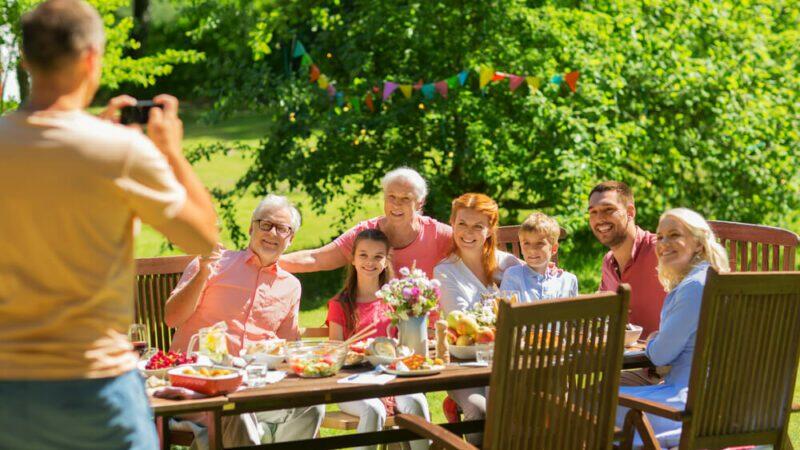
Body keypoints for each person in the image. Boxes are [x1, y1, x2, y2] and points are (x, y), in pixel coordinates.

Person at [0, 1, 218, 448]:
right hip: (95, 386)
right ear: (91, 58)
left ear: (25, 59)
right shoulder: (119, 152)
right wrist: (171, 152)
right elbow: (201, 237)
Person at [166, 194, 324, 448]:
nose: (273, 233)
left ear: (291, 238)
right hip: (201, 383)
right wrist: (203, 273)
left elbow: (288, 347)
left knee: (311, 408)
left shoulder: (290, 286)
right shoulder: (212, 264)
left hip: (255, 385)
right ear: (251, 228)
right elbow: (171, 318)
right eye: (266, 224)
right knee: (235, 411)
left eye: (282, 229)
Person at [615, 208, 729, 448]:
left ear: (698, 244)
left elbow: (660, 354)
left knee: (584, 402)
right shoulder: (719, 282)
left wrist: (655, 339)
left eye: (674, 235)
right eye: (660, 237)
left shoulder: (694, 287)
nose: (663, 244)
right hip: (721, 405)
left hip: (685, 407)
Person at [327, 229, 430, 450]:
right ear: (353, 259)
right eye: (363, 255)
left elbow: (404, 347)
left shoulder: (394, 301)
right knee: (372, 409)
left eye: (377, 256)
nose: (370, 262)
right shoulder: (340, 304)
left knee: (416, 400)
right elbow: (335, 352)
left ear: (385, 261)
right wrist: (359, 353)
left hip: (391, 377)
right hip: (351, 384)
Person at [433, 193, 521, 444]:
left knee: (519, 406)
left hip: (509, 363)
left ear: (491, 229)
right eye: (462, 223)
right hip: (466, 365)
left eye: (477, 226)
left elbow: (533, 298)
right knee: (480, 410)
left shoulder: (511, 265)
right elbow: (461, 325)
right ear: (452, 223)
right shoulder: (445, 271)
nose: (468, 232)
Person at [280, 167, 453, 278]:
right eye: (391, 197)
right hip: (374, 327)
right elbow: (316, 258)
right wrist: (267, 261)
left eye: (405, 198)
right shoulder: (365, 233)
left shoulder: (438, 234)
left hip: (423, 328)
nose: (396, 204)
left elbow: (475, 251)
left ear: (420, 202)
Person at [500, 212, 578, 302]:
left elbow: (574, 314)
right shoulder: (513, 276)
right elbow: (506, 313)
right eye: (526, 243)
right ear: (521, 247)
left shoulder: (568, 281)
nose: (532, 249)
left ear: (554, 248)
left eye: (540, 243)